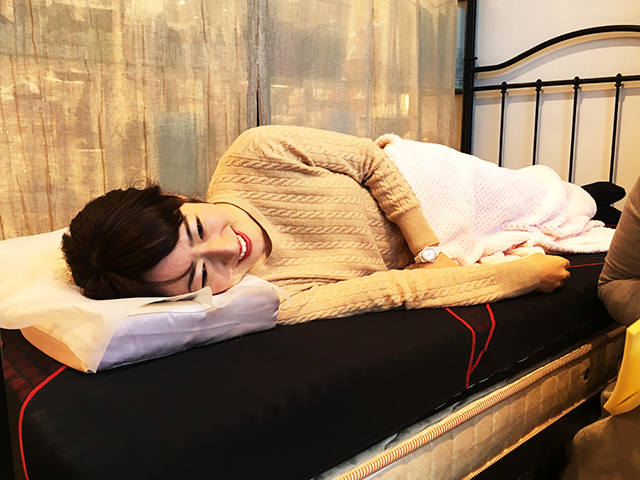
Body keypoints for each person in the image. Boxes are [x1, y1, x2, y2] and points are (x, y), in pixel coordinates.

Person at [62, 125, 570, 325]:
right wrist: (519, 277)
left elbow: (370, 161)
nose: (227, 250)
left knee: (558, 199)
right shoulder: (279, 299)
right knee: (563, 222)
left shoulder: (255, 153)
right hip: (436, 248)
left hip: (417, 183)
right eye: (200, 275)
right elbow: (396, 291)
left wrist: (428, 250)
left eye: (197, 230)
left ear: (177, 199)